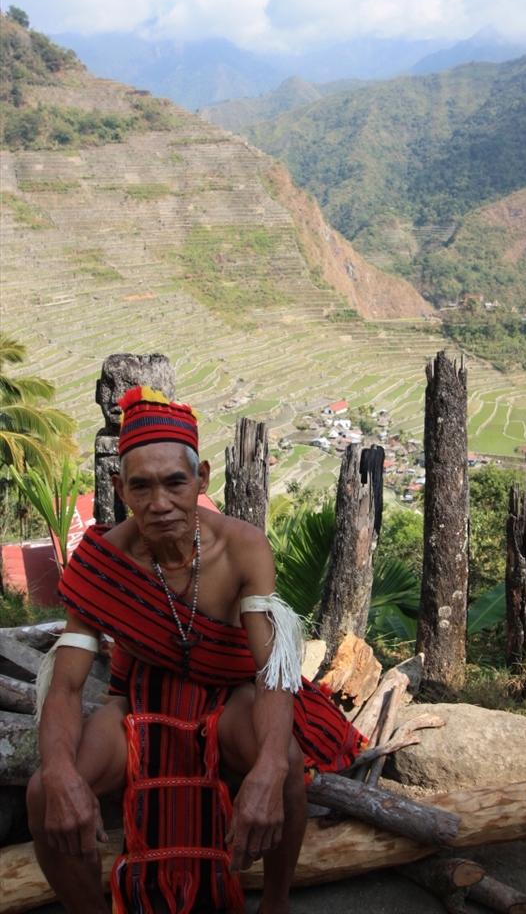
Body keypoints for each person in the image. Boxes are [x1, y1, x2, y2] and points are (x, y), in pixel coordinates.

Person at [27, 387, 365, 914]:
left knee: (288, 766)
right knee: (43, 792)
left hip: (225, 701)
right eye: (141, 487)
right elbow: (67, 684)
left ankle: (275, 905)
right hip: (136, 704)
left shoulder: (244, 547)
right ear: (120, 488)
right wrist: (60, 772)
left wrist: (270, 767)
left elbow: (273, 671)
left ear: (202, 478)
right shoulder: (100, 564)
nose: (159, 504)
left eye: (175, 483)